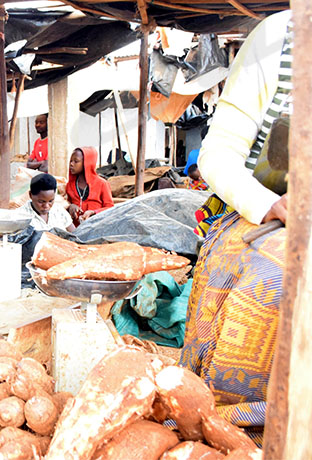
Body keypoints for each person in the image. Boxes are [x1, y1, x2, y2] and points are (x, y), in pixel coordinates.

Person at [179, 10, 291, 444]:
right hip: (260, 211)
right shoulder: (280, 38)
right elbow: (216, 158)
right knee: (273, 280)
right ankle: (228, 428)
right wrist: (274, 205)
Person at [65, 146, 114, 227]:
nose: (71, 164)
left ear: (87, 163)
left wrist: (93, 212)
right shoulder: (70, 185)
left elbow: (110, 208)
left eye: (76, 161)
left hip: (96, 227)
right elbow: (67, 203)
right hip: (75, 229)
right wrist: (70, 206)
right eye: (71, 161)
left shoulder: (102, 184)